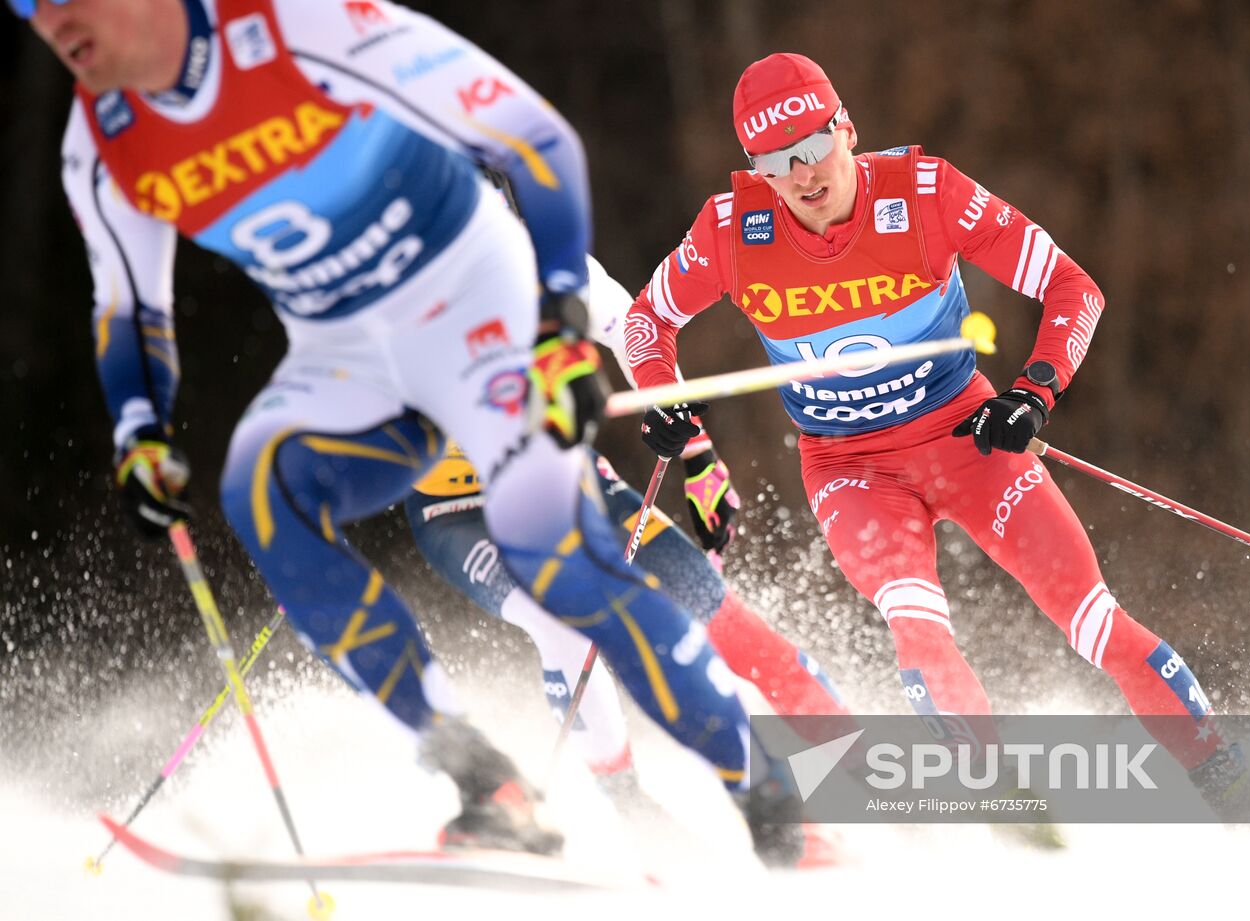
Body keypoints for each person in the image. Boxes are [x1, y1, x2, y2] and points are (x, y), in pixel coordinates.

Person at [28, 0, 809, 863]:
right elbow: (129, 305)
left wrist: (685, 441)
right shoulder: (107, 143)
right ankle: (518, 789)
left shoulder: (518, 251)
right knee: (517, 596)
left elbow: (636, 340)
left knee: (699, 598)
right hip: (449, 506)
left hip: (525, 419)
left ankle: (846, 786)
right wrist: (140, 427)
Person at [624, 51, 1250, 814]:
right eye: (774, 162)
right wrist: (664, 400)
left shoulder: (927, 193)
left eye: (811, 147)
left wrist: (1035, 391)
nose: (802, 175)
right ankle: (1003, 811)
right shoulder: (732, 230)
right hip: (849, 466)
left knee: (1093, 621)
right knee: (916, 622)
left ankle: (1236, 792)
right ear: (754, 169)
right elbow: (645, 322)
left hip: (966, 438)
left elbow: (1073, 286)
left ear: (847, 129)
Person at [406, 255, 847, 818]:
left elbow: (636, 332)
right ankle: (633, 810)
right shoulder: (390, 296)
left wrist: (696, 453)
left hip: (563, 483)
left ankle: (865, 777)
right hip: (460, 511)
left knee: (715, 611)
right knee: (559, 622)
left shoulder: (547, 262)